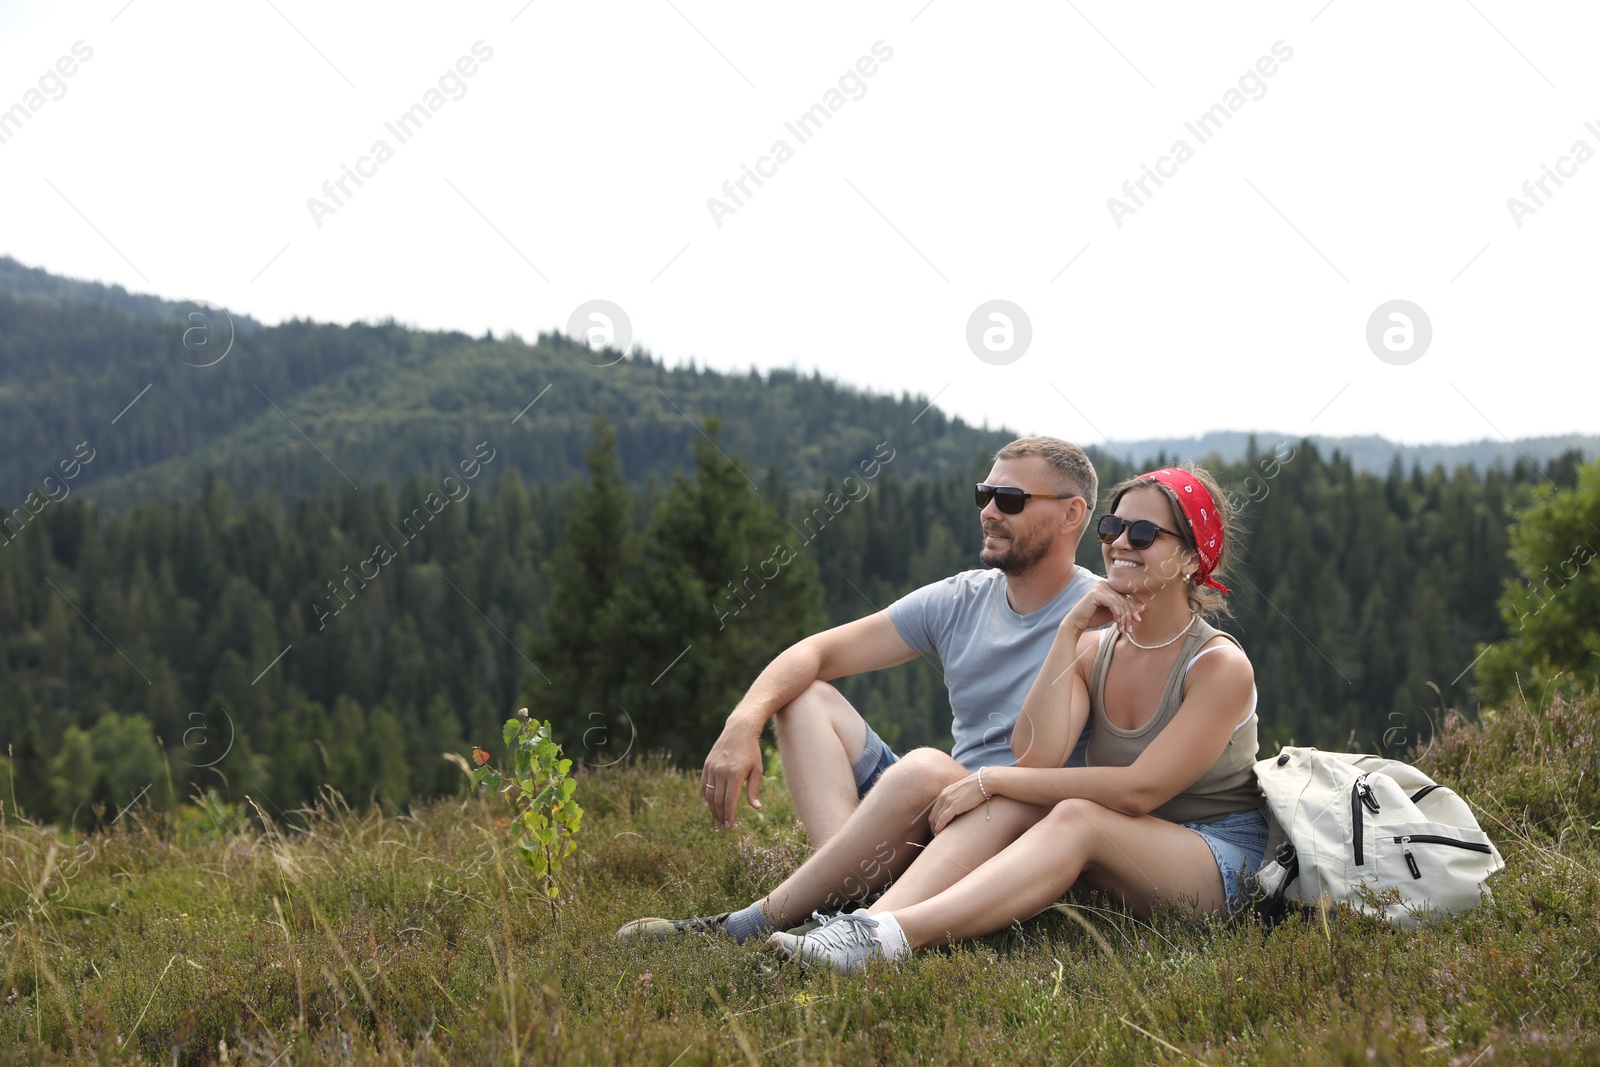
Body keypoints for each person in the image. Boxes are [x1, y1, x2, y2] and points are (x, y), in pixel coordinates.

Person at [767, 464, 1269, 971]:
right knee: (1028, 803)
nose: (1120, 543)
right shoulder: (1096, 649)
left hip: (1217, 858)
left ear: (1189, 558)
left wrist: (988, 778)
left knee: (1072, 815)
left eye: (1143, 533)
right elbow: (1038, 755)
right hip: (1134, 847)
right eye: (1112, 528)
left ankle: (886, 940)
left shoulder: (1218, 666)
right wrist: (1069, 631)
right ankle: (858, 929)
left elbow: (1139, 790)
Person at [617, 436, 1103, 943]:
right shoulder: (961, 598)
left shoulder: (1103, 614)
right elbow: (816, 653)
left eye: (1010, 500)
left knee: (926, 768)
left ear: (1071, 514)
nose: (988, 512)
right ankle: (845, 899)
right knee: (803, 697)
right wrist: (743, 722)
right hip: (945, 809)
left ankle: (748, 925)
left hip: (1019, 828)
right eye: (984, 495)